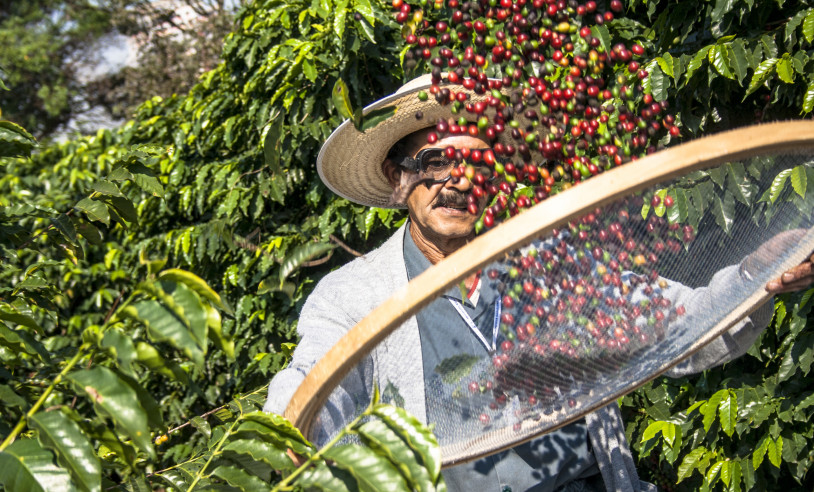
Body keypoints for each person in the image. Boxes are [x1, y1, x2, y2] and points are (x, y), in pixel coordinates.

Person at [264, 75, 814, 491]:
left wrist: (754, 275)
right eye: (435, 162)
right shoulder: (354, 295)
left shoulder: (551, 266)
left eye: (477, 163)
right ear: (398, 177)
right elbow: (314, 381)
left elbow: (678, 328)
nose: (458, 181)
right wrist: (284, 437)